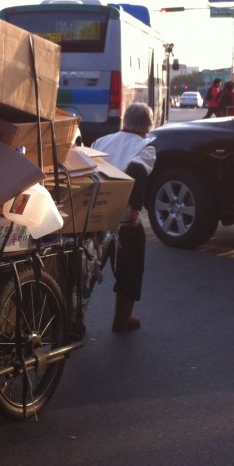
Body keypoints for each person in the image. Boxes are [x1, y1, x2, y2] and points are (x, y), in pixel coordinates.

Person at [91, 102, 156, 332]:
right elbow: (137, 174)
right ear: (148, 125)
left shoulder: (102, 140)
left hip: (93, 213)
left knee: (87, 267)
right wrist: (135, 210)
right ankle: (122, 319)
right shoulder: (145, 147)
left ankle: (73, 320)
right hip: (124, 217)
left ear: (125, 121)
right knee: (130, 267)